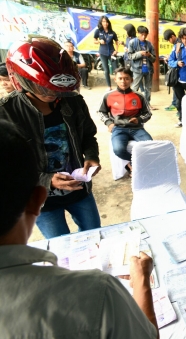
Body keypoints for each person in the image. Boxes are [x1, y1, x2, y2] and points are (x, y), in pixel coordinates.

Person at [0, 120, 158, 338]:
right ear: (38, 199)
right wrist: (141, 281)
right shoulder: (96, 292)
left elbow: (87, 135)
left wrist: (91, 154)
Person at [0, 36, 101, 239]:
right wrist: (47, 180)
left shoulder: (72, 101)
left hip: (79, 188)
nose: (54, 94)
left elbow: (88, 135)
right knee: (61, 248)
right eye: (45, 88)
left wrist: (91, 156)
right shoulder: (6, 113)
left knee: (94, 237)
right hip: (40, 200)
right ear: (21, 80)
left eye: (58, 89)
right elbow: (7, 169)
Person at [98, 67, 152, 175]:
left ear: (132, 80)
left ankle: (132, 165)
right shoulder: (108, 95)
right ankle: (133, 163)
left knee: (150, 146)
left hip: (137, 128)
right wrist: (109, 123)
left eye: (127, 78)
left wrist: (139, 119)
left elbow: (148, 113)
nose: (123, 81)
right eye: (120, 78)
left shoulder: (139, 96)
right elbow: (101, 112)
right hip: (118, 128)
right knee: (118, 150)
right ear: (115, 79)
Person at [128, 26, 157, 110]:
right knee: (135, 87)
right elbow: (130, 56)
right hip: (137, 69)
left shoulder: (149, 44)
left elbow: (154, 59)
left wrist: (149, 55)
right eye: (142, 34)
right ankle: (132, 104)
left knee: (148, 88)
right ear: (138, 33)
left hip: (148, 69)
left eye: (145, 35)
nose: (143, 37)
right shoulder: (132, 43)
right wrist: (140, 53)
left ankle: (147, 104)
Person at [93, 16, 119, 91]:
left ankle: (119, 86)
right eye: (103, 21)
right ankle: (109, 86)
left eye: (106, 21)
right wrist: (99, 41)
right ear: (101, 22)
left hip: (112, 53)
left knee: (116, 69)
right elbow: (94, 41)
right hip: (102, 53)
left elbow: (116, 42)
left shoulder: (112, 32)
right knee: (106, 70)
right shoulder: (98, 31)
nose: (105, 23)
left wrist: (116, 50)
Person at [163, 29, 181, 113]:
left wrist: (169, 58)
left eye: (169, 39)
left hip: (179, 70)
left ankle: (178, 108)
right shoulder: (176, 44)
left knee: (178, 89)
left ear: (173, 36)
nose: (169, 41)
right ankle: (175, 104)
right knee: (175, 88)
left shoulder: (178, 43)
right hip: (176, 68)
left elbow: (178, 57)